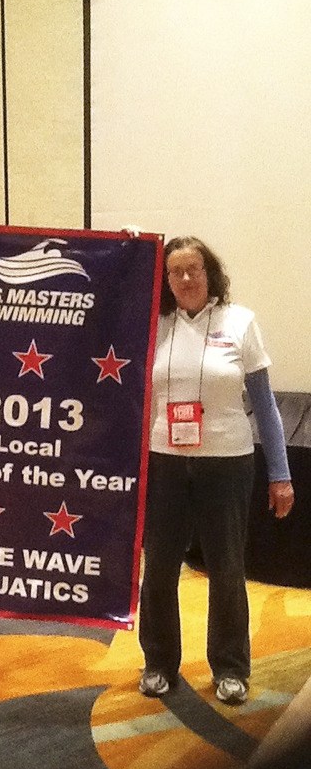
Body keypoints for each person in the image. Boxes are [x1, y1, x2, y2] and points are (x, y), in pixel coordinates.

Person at [138, 235, 294, 704]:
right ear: (166, 281)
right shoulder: (155, 324)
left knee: (227, 569)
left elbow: (265, 405)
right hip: (165, 461)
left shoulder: (240, 321)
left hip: (227, 463)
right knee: (160, 569)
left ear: (211, 273)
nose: (185, 279)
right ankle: (159, 663)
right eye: (175, 272)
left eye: (194, 269)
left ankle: (230, 668)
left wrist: (280, 474)